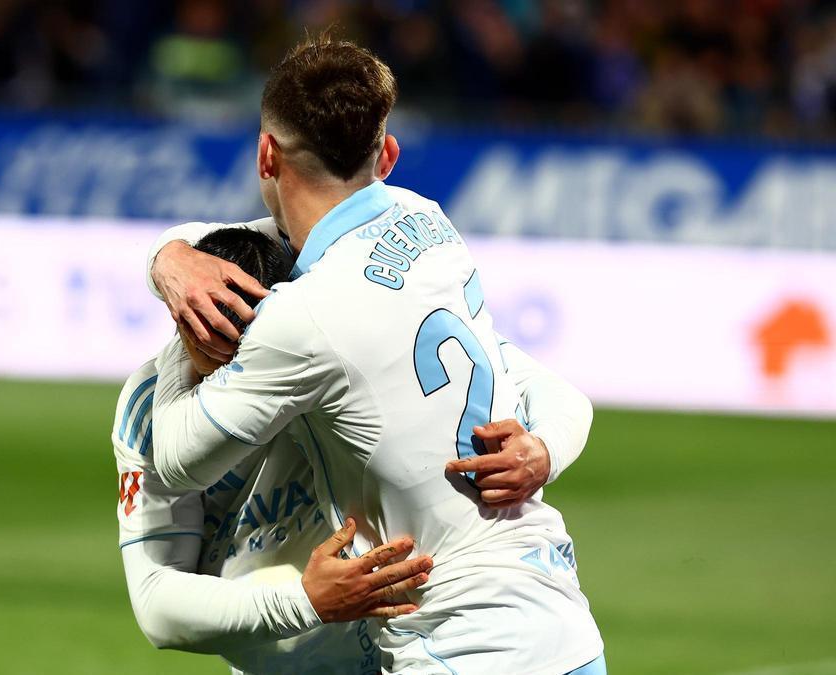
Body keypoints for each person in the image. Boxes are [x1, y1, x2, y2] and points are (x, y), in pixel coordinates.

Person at [149, 37, 605, 674]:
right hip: (560, 624)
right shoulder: (430, 225)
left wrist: (181, 321)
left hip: (459, 647)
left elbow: (173, 463)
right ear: (387, 154)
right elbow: (551, 388)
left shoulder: (303, 319)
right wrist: (545, 448)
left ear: (265, 154)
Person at [123, 228, 596, 674]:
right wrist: (305, 601)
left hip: (402, 654)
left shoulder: (328, 337)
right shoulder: (151, 413)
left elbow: (553, 391)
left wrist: (544, 448)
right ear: (185, 319)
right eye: (222, 340)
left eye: (256, 345)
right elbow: (156, 604)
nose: (243, 362)